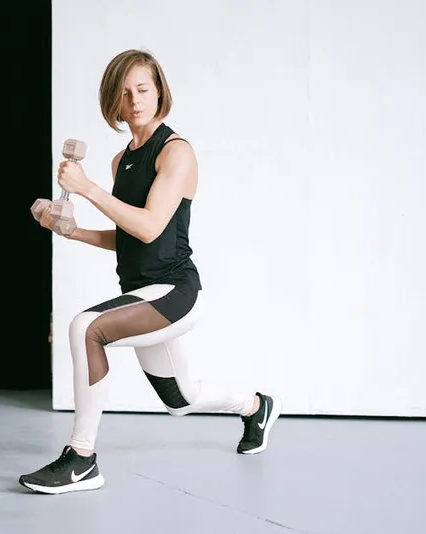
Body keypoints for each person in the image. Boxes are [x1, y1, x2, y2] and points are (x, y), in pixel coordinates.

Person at [19, 49, 282, 495]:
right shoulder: (121, 161)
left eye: (142, 89)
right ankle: (256, 407)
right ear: (114, 103)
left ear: (159, 91)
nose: (135, 101)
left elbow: (149, 226)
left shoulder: (176, 152)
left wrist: (87, 188)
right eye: (124, 94)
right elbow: (128, 235)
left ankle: (81, 459)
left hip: (176, 292)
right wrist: (72, 230)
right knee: (181, 399)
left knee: (86, 328)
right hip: (143, 294)